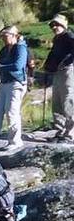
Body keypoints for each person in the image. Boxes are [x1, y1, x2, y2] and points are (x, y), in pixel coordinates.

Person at [0, 25, 28, 150]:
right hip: (4, 83)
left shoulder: (20, 48)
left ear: (14, 35)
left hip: (16, 83)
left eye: (5, 35)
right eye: (2, 36)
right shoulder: (4, 50)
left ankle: (15, 141)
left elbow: (18, 66)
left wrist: (0, 66)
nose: (3, 38)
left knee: (11, 112)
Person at [44, 14, 74, 142]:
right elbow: (53, 54)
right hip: (58, 72)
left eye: (57, 24)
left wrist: (66, 62)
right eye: (52, 25)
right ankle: (60, 131)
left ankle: (70, 133)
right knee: (57, 102)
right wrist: (48, 66)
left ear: (63, 25)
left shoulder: (69, 36)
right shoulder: (57, 39)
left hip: (68, 71)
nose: (54, 27)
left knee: (68, 100)